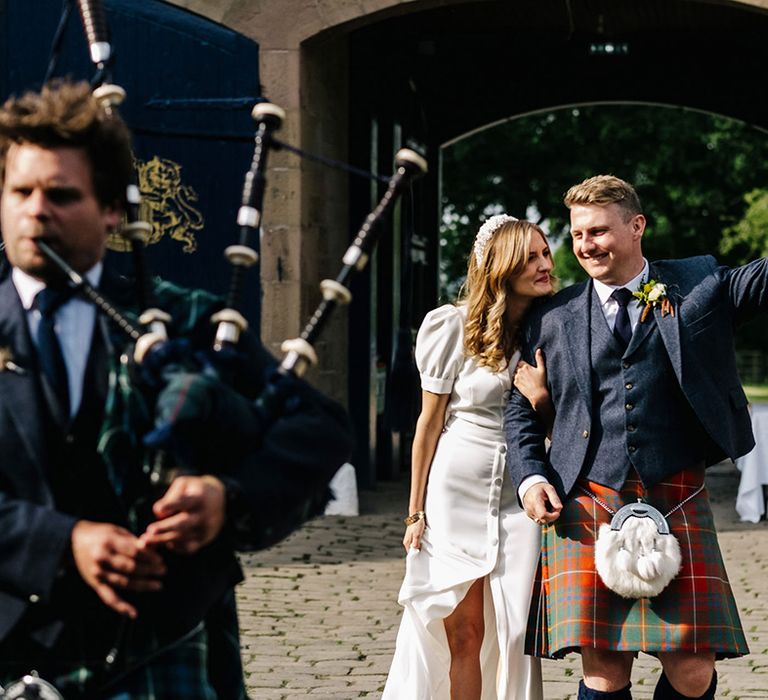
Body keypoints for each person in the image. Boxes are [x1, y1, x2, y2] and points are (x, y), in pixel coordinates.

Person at [0, 80, 352, 698]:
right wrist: (61, 541)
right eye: (19, 191)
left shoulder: (182, 318)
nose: (35, 211)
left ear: (112, 209)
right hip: (14, 647)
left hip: (164, 646)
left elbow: (318, 428)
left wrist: (226, 496)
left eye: (60, 194)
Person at [505, 174, 757, 700]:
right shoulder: (552, 315)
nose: (585, 246)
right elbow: (520, 411)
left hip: (676, 490)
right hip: (587, 496)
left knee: (693, 674)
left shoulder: (696, 283)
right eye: (577, 235)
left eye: (597, 231)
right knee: (604, 671)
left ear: (636, 226)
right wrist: (530, 479)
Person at [383, 215, 555, 700]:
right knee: (465, 634)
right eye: (531, 257)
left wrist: (542, 401)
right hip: (453, 492)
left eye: (546, 254)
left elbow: (567, 424)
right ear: (500, 267)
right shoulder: (451, 326)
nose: (545, 265)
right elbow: (428, 425)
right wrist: (415, 511)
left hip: (519, 497)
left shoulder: (553, 328)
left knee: (517, 633)